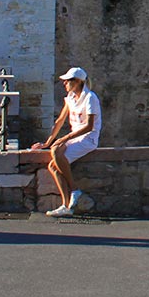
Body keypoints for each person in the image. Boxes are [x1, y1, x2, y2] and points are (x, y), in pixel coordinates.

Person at [32, 67, 101, 217]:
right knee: (53, 164)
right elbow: (60, 120)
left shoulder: (90, 98)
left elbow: (89, 126)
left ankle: (74, 190)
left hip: (88, 139)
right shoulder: (70, 97)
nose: (64, 84)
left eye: (67, 81)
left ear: (77, 82)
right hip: (75, 137)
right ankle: (66, 204)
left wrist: (64, 138)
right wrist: (48, 142)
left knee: (56, 154)